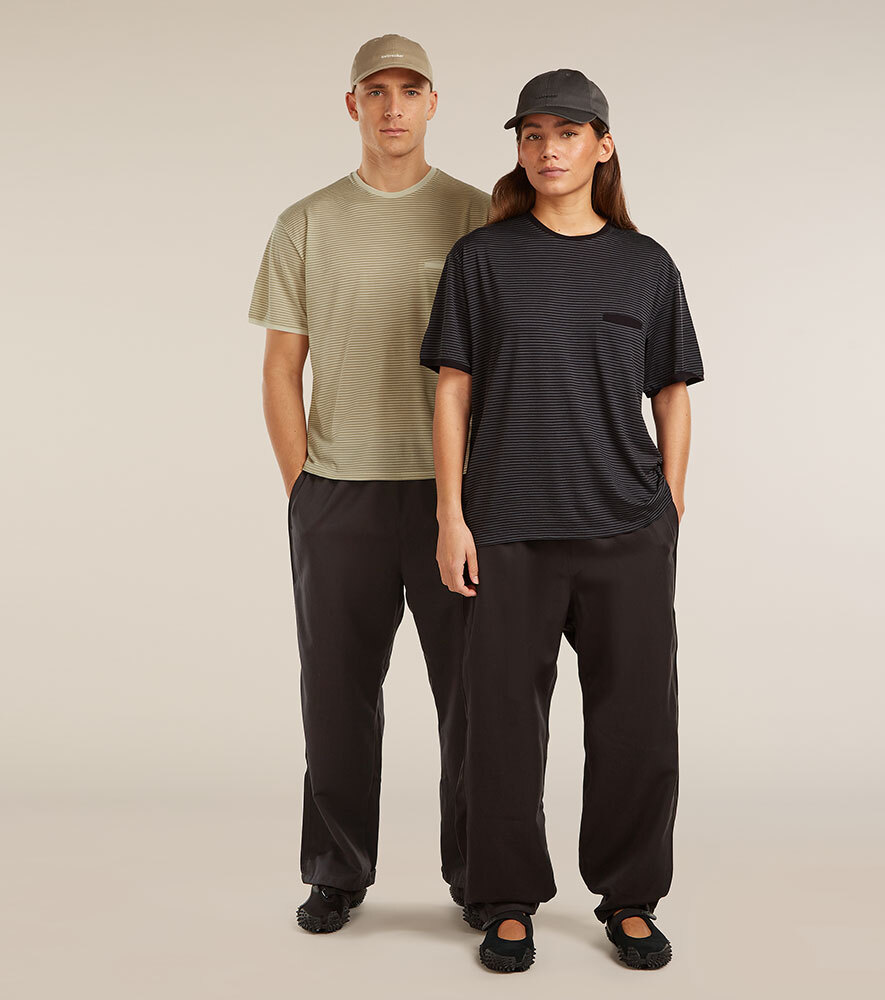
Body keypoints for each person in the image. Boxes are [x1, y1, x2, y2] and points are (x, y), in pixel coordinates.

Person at [420, 68, 705, 972]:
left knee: (636, 724)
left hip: (626, 530)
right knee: (502, 728)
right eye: (533, 134)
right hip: (507, 529)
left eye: (569, 133)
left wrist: (670, 502)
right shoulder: (482, 260)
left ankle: (631, 898)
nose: (548, 149)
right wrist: (450, 517)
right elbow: (453, 392)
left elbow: (671, 390)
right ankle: (505, 900)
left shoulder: (646, 265)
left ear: (603, 146)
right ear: (519, 148)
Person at [247, 34, 490, 934]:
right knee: (336, 696)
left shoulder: (478, 215)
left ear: (434, 102)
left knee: (476, 697)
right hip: (339, 496)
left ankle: (483, 874)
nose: (393, 107)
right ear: (352, 104)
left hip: (455, 500)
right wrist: (304, 489)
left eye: (410, 90)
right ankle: (336, 872)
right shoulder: (304, 223)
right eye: (376, 91)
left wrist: (476, 494)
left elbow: (504, 361)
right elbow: (282, 369)